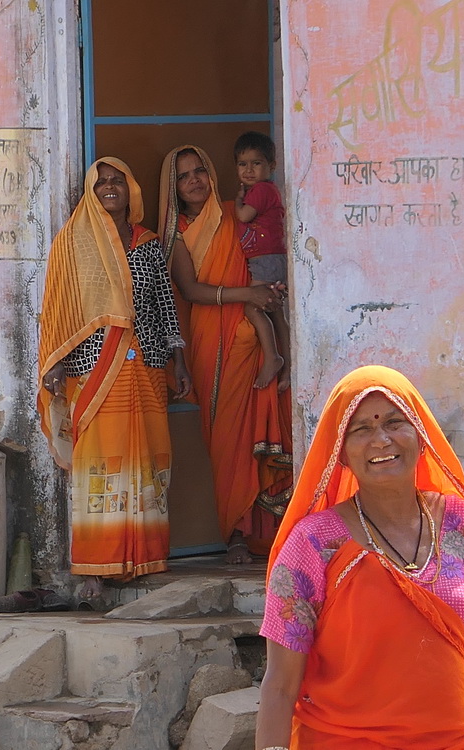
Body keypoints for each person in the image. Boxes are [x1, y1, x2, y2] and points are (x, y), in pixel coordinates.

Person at [255, 365, 464, 749]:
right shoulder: (314, 544)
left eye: (395, 422)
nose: (381, 440)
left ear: (421, 436)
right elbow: (280, 685)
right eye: (362, 429)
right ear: (339, 453)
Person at [38, 157, 191, 602]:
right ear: (91, 191)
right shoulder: (73, 242)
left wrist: (178, 361)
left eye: (117, 181)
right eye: (101, 182)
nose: (109, 188)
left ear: (131, 191)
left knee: (147, 461)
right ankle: (96, 565)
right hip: (92, 370)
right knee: (99, 467)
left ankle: (143, 558)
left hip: (145, 365)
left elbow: (165, 305)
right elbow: (60, 308)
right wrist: (55, 362)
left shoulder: (147, 243)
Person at [159, 145, 294, 565]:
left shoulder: (237, 213)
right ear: (174, 187)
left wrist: (265, 294)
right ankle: (236, 532)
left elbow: (265, 256)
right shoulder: (176, 230)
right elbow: (192, 290)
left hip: (260, 336)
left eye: (200, 170)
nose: (195, 180)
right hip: (211, 340)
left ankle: (279, 533)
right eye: (184, 176)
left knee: (273, 425)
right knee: (226, 438)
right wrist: (246, 295)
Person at [232, 131, 290, 391]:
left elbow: (244, 216)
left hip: (266, 261)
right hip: (272, 258)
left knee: (253, 307)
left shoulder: (261, 190)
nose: (249, 170)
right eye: (243, 164)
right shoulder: (267, 189)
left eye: (256, 163)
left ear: (272, 166)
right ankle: (287, 368)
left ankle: (272, 357)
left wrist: (237, 203)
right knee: (277, 314)